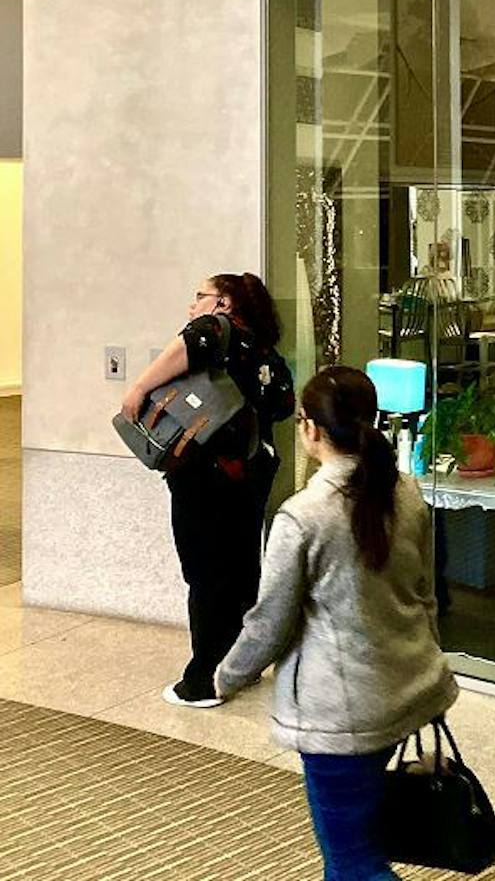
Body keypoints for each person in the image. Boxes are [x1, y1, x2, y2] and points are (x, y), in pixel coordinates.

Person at [216, 366, 458, 881]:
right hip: (404, 690)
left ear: (310, 429)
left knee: (353, 865)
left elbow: (269, 621)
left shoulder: (302, 516)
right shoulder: (408, 494)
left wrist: (227, 676)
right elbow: (426, 596)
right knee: (361, 846)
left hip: (340, 715)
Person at [120, 273, 294, 707]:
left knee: (205, 573)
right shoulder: (266, 352)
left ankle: (201, 681)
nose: (192, 306)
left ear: (225, 303)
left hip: (207, 475)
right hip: (254, 472)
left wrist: (139, 387)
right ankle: (240, 666)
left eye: (201, 296)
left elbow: (186, 344)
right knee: (239, 570)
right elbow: (284, 407)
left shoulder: (216, 331)